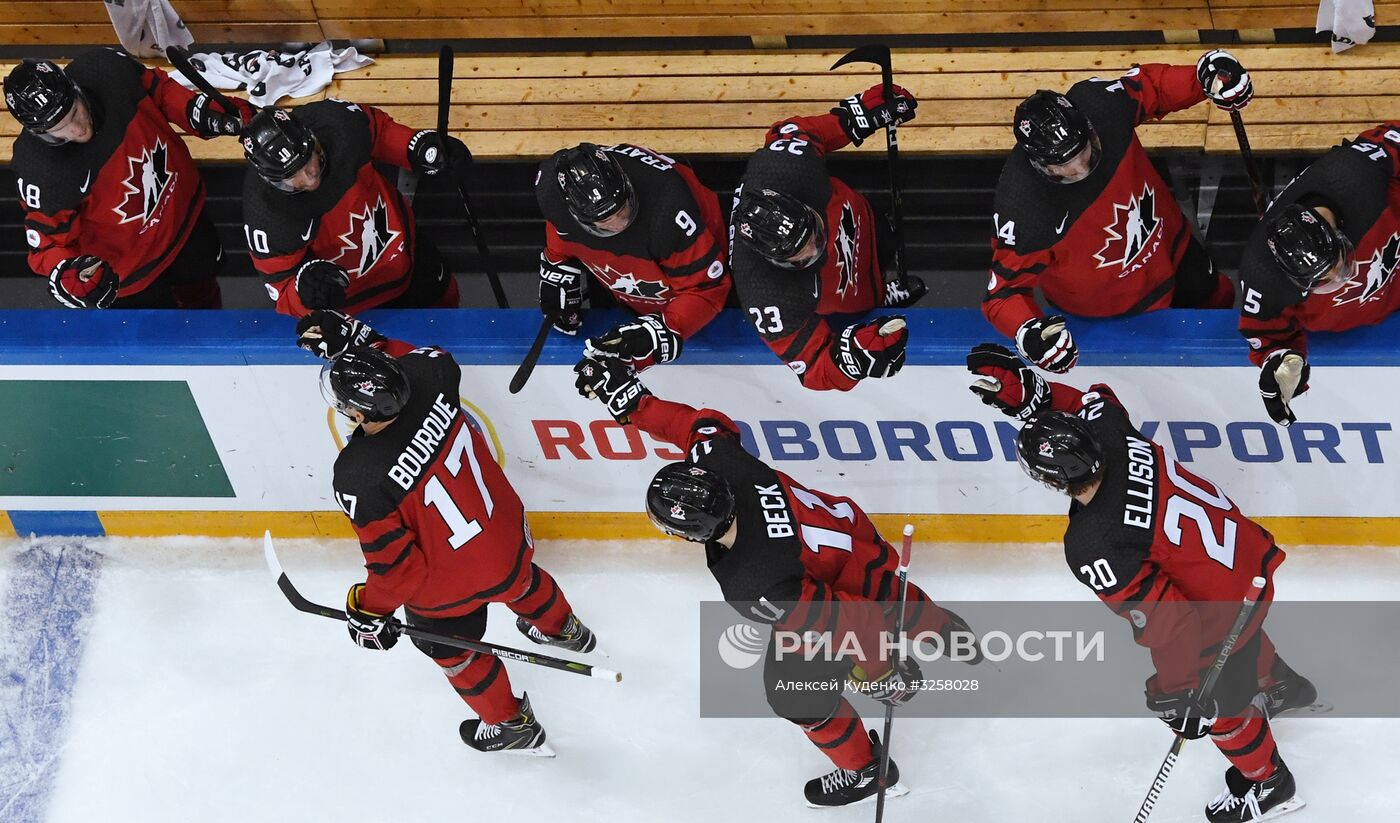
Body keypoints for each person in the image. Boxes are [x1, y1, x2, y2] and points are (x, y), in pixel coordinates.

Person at [573, 355, 979, 807]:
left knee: (793, 695)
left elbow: (857, 620)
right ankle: (949, 634)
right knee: (889, 590)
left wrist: (883, 674)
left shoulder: (755, 583)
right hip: (852, 538)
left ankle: (867, 771)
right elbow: (701, 425)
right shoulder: (724, 463)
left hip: (823, 586)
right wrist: (634, 404)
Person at [966, 343, 1319, 821]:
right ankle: (1283, 684)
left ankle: (1271, 783)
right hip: (1249, 560)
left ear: (1051, 481)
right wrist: (1035, 397)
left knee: (1220, 705)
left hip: (1223, 603)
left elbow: (1171, 626)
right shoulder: (1112, 432)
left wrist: (1176, 692)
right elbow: (1097, 397)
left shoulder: (1094, 543)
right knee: (1239, 632)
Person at [298, 309, 599, 755]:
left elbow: (399, 574)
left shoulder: (359, 475)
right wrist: (368, 342)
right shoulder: (434, 373)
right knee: (522, 579)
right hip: (504, 534)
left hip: (449, 585)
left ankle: (510, 724)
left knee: (455, 651)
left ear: (359, 412)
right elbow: (419, 356)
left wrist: (368, 609)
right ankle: (566, 630)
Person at [983, 50, 1253, 373]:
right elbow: (1002, 294)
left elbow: (1151, 87)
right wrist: (1027, 330)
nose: (1083, 166)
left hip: (1172, 249)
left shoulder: (1100, 104)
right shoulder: (1023, 209)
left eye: (1084, 148)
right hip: (1111, 312)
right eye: (1066, 165)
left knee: (1218, 307)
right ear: (1040, 165)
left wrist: (1202, 78)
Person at [4, 50, 249, 309]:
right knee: (156, 340)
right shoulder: (41, 170)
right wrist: (68, 273)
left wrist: (197, 112)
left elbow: (160, 91)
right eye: (58, 130)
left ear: (75, 89)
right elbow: (48, 244)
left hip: (182, 218)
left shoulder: (106, 70)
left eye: (75, 112)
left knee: (204, 300)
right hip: (128, 271)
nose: (77, 130)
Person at [730, 83, 923, 391]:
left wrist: (853, 118)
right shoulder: (765, 295)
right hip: (835, 289)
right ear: (772, 260)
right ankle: (878, 295)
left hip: (857, 219)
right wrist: (851, 362)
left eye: (814, 233)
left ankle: (878, 255)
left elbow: (796, 130)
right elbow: (812, 370)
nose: (817, 248)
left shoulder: (784, 168)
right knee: (857, 300)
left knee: (880, 232)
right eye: (802, 254)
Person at [241, 102, 471, 317]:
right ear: (269, 179)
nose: (310, 179)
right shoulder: (266, 216)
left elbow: (378, 132)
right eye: (291, 178)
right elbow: (282, 290)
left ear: (311, 137)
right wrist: (306, 290)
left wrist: (416, 147)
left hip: (408, 253)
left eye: (308, 160)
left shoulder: (336, 122)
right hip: (350, 309)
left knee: (448, 306)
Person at [1237, 122, 1400, 426]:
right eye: (1323, 279)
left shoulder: (1356, 175)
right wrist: (1281, 361)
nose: (1342, 278)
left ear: (1336, 231)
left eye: (1338, 262)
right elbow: (1267, 337)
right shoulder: (1263, 277)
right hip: (1357, 317)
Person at [535, 142, 732, 369]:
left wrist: (667, 326)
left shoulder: (667, 211)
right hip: (635, 276)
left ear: (626, 184)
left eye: (622, 209)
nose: (620, 224)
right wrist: (558, 262)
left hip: (698, 255)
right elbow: (559, 226)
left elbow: (708, 289)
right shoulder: (551, 190)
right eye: (606, 220)